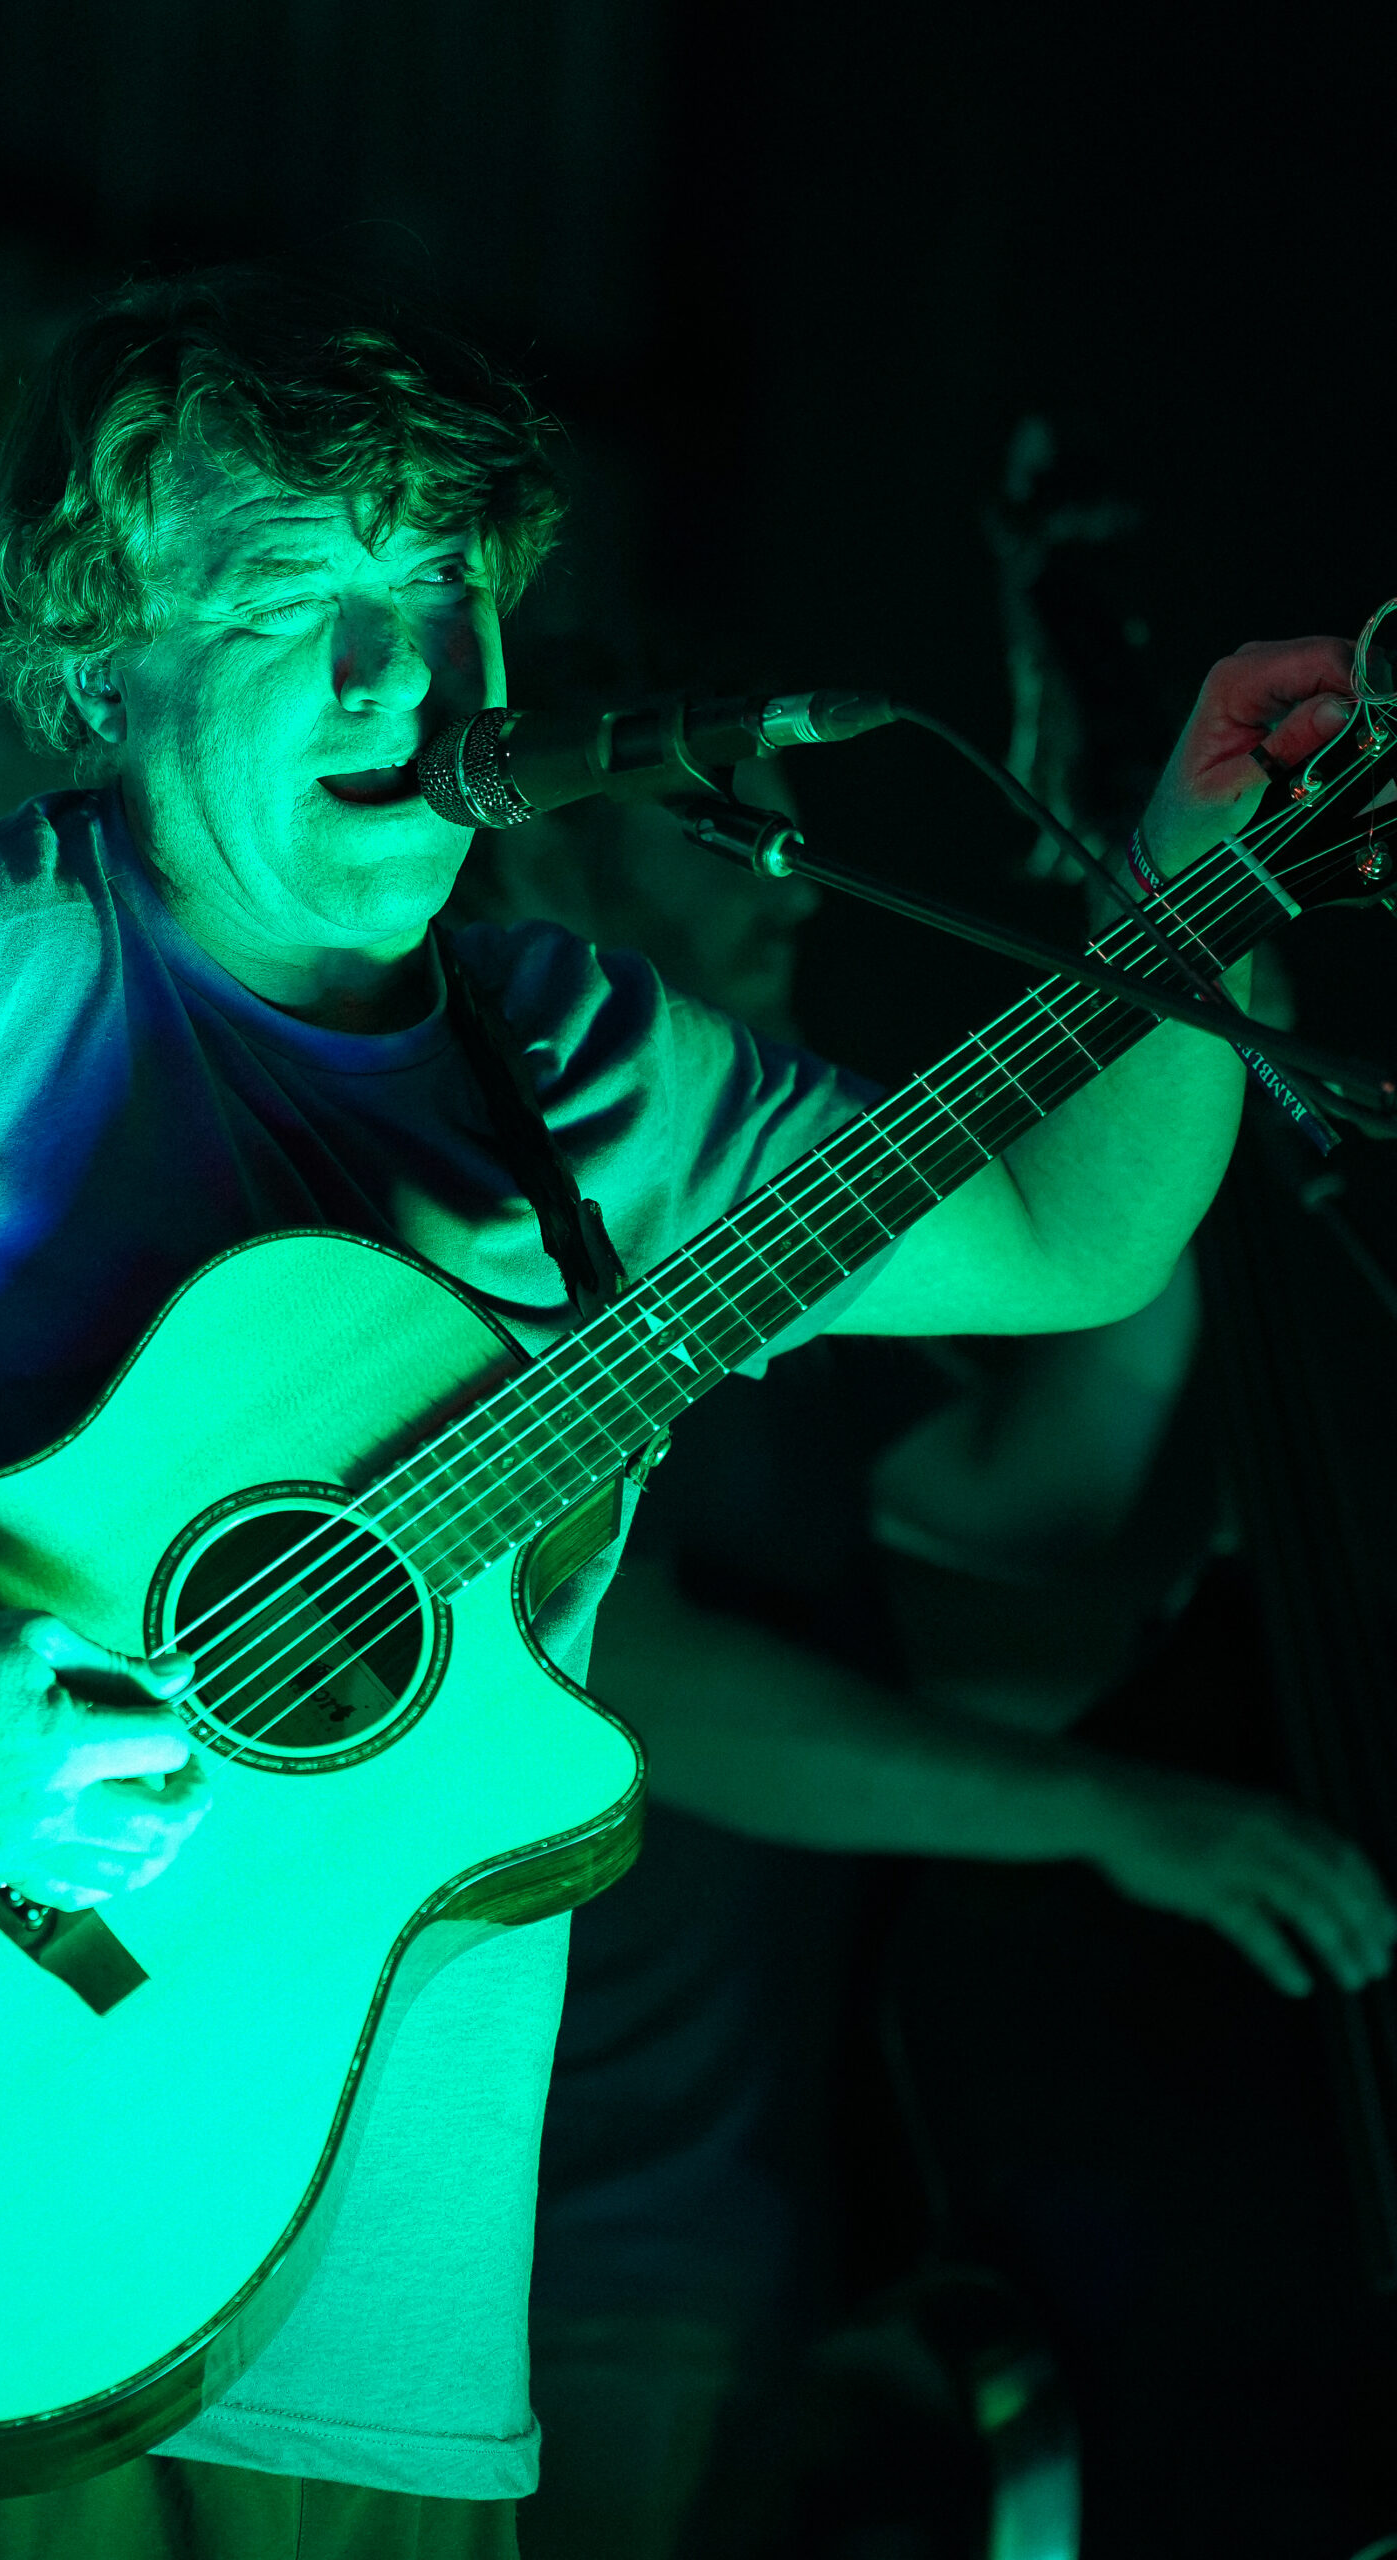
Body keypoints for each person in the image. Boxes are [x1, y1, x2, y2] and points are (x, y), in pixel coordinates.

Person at [0, 265, 1366, 2560]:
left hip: (403, 2340)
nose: (393, 671)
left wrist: (1201, 882)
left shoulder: (588, 1066)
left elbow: (1060, 1235)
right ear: (108, 650)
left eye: (434, 586)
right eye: (290, 591)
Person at [472, 786, 1395, 2557]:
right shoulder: (513, 1219)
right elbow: (632, 1681)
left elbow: (1040, 1482)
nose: (789, 894)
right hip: (580, 2232)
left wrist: (1175, 1049)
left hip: (781, 2212)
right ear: (543, 859)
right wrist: (1114, 1813)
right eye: (712, 838)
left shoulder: (745, 1249)